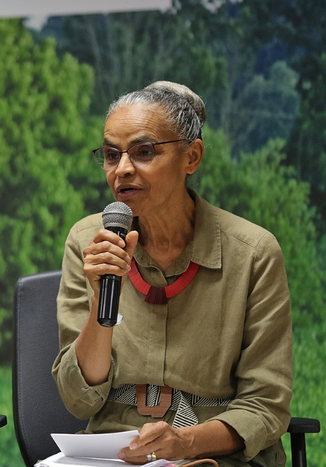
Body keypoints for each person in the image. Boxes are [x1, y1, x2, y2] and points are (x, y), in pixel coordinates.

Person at [52, 81, 292, 466]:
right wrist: (100, 303)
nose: (123, 169)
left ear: (191, 157)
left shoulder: (253, 252)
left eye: (144, 152)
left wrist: (186, 443)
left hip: (216, 451)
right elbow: (79, 400)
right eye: (112, 155)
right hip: (114, 452)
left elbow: (266, 405)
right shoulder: (88, 240)